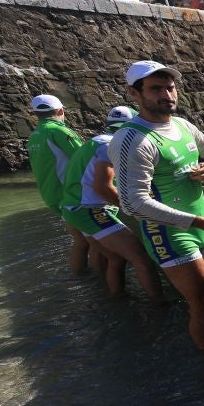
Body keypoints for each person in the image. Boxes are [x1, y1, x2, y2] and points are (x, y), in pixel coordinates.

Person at [111, 60, 204, 376]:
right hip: (170, 231)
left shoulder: (183, 125)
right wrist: (200, 222)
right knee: (203, 302)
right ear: (135, 93)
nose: (166, 94)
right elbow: (132, 204)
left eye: (170, 87)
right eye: (155, 89)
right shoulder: (132, 140)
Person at [59, 105, 165, 301]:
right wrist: (136, 209)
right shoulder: (111, 146)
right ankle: (159, 305)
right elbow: (103, 187)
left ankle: (115, 298)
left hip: (73, 208)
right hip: (90, 210)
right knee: (141, 259)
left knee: (116, 258)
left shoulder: (94, 141)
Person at [26, 93, 101, 275]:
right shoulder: (59, 131)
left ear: (35, 114)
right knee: (96, 241)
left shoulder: (34, 136)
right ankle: (103, 283)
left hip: (51, 196)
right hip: (70, 195)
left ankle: (78, 278)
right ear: (60, 111)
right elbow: (85, 156)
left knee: (80, 240)